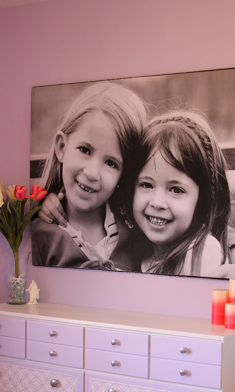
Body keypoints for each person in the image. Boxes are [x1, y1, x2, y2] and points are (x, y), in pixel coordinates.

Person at [31, 81, 148, 269]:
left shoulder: (136, 233)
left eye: (111, 163)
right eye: (85, 150)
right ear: (62, 147)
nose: (92, 173)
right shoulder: (39, 236)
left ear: (124, 173)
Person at [128, 110, 235, 277]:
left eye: (176, 190)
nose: (157, 202)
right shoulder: (133, 243)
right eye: (147, 185)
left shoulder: (202, 253)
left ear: (202, 200)